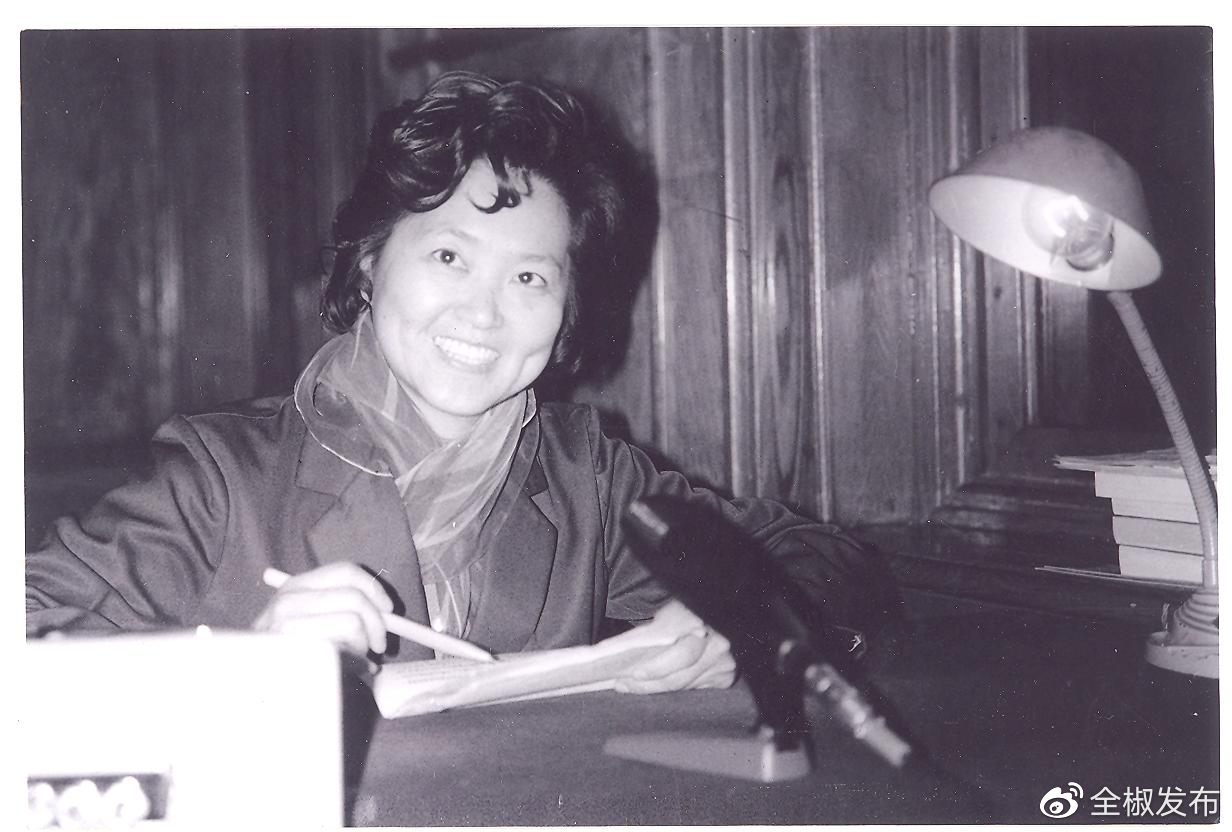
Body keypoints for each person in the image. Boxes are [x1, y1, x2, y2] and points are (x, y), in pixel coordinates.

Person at [26, 71, 885, 695]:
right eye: (448, 256)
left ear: (565, 310)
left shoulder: (585, 475)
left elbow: (823, 559)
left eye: (530, 278)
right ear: (369, 263)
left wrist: (742, 620)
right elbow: (24, 639)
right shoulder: (220, 478)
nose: (483, 313)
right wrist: (246, 661)